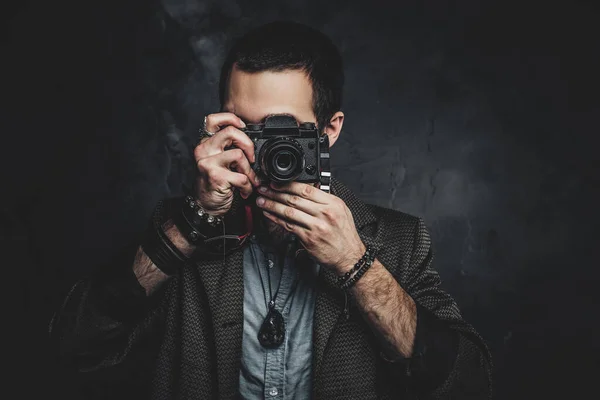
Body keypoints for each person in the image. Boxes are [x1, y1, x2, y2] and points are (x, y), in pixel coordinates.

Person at [49, 21, 492, 399]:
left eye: (283, 130)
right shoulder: (183, 231)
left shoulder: (397, 241)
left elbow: (468, 384)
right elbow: (74, 347)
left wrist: (355, 263)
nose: (268, 150)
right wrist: (191, 223)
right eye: (245, 128)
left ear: (329, 130)